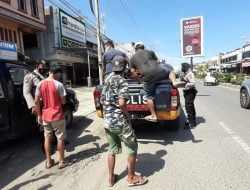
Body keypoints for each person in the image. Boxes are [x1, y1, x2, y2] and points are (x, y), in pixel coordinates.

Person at [101, 55, 148, 187]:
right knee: (133, 147)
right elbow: (122, 103)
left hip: (107, 121)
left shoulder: (107, 79)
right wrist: (127, 116)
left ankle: (110, 179)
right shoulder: (122, 81)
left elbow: (101, 99)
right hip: (119, 121)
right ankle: (131, 177)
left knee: (112, 149)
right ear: (124, 67)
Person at [129, 42, 178, 122]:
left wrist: (139, 80)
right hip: (159, 71)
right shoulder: (150, 52)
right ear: (143, 47)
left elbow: (132, 72)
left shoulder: (132, 58)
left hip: (147, 77)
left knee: (149, 96)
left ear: (135, 49)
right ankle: (174, 82)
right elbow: (158, 62)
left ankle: (153, 115)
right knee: (170, 72)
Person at [35, 65, 71, 169]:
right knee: (60, 138)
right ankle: (62, 161)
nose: (59, 76)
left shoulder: (40, 84)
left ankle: (49, 161)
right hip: (57, 115)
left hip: (45, 115)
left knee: (47, 137)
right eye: (59, 74)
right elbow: (63, 102)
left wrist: (39, 115)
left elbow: (37, 101)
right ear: (57, 73)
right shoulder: (58, 85)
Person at [23, 60, 49, 153]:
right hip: (38, 104)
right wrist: (33, 106)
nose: (44, 68)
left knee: (49, 124)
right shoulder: (29, 76)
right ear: (37, 65)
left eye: (45, 66)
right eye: (42, 66)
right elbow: (26, 93)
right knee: (41, 125)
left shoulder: (46, 76)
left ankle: (50, 143)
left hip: (48, 104)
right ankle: (44, 148)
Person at [180, 63, 197, 129]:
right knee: (190, 106)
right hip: (188, 92)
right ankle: (192, 121)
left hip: (190, 92)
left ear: (185, 67)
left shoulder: (190, 74)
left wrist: (185, 84)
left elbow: (192, 83)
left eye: (182, 67)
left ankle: (191, 124)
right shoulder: (186, 73)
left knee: (189, 107)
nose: (181, 68)